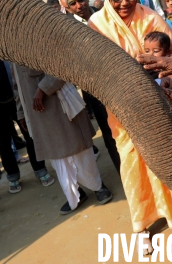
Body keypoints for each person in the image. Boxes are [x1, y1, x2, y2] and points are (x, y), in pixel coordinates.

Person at [88, 0, 172, 248]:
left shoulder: (152, 18)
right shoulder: (97, 25)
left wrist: (171, 79)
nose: (125, 3)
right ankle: (142, 224)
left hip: (160, 103)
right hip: (122, 108)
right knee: (132, 162)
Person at [12, 63, 113, 215]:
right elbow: (17, 85)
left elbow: (60, 65)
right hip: (37, 114)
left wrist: (43, 89)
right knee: (56, 155)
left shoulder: (41, 39)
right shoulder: (9, 53)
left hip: (59, 104)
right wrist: (21, 113)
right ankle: (75, 192)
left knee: (77, 148)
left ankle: (98, 187)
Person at [0, 50, 55, 189]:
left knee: (29, 135)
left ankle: (40, 170)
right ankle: (13, 176)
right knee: (3, 144)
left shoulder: (2, 46)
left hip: (17, 101)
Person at [64, 0, 121, 173]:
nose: (79, 5)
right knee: (109, 131)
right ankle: (122, 170)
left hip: (120, 80)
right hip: (95, 88)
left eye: (81, 0)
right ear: (68, 7)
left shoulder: (105, 15)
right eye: (74, 3)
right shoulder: (67, 28)